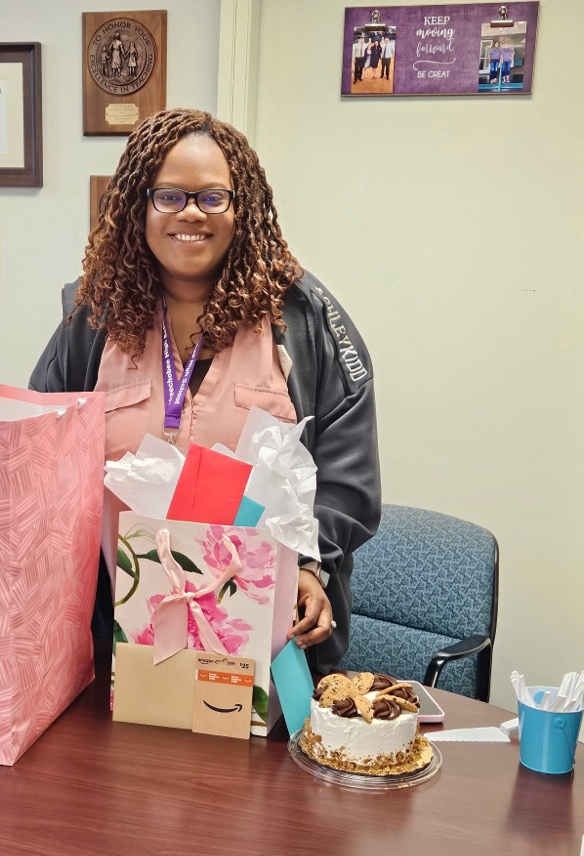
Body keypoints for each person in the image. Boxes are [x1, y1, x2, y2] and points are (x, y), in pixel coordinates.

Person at [29, 108, 381, 672]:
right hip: (118, 637)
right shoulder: (92, 319)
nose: (191, 212)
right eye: (169, 196)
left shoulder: (303, 318)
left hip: (263, 636)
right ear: (139, 207)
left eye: (213, 197)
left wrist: (311, 563)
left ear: (243, 209)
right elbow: (42, 458)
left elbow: (348, 476)